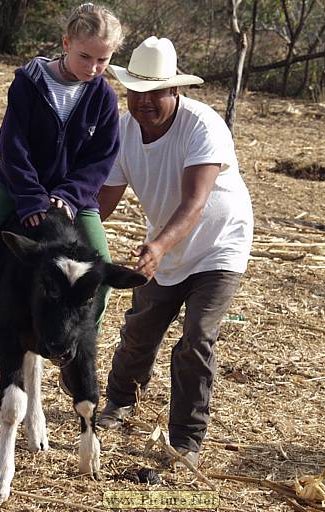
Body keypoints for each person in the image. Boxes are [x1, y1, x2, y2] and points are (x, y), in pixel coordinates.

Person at [96, 36, 253, 467]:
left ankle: (186, 438)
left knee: (197, 336)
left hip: (219, 244)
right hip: (165, 246)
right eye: (136, 92)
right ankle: (120, 401)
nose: (144, 102)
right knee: (141, 328)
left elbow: (195, 203)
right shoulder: (124, 131)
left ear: (175, 91)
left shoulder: (202, 126)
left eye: (155, 93)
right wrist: (72, 230)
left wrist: (159, 245)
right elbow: (104, 199)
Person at [0, 2, 124, 370]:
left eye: (103, 60)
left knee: (102, 268)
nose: (94, 68)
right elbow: (13, 144)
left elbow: (101, 160)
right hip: (14, 184)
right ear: (65, 43)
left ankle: (79, 347)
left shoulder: (105, 98)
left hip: (75, 197)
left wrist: (70, 195)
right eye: (85, 56)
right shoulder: (29, 83)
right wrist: (31, 198)